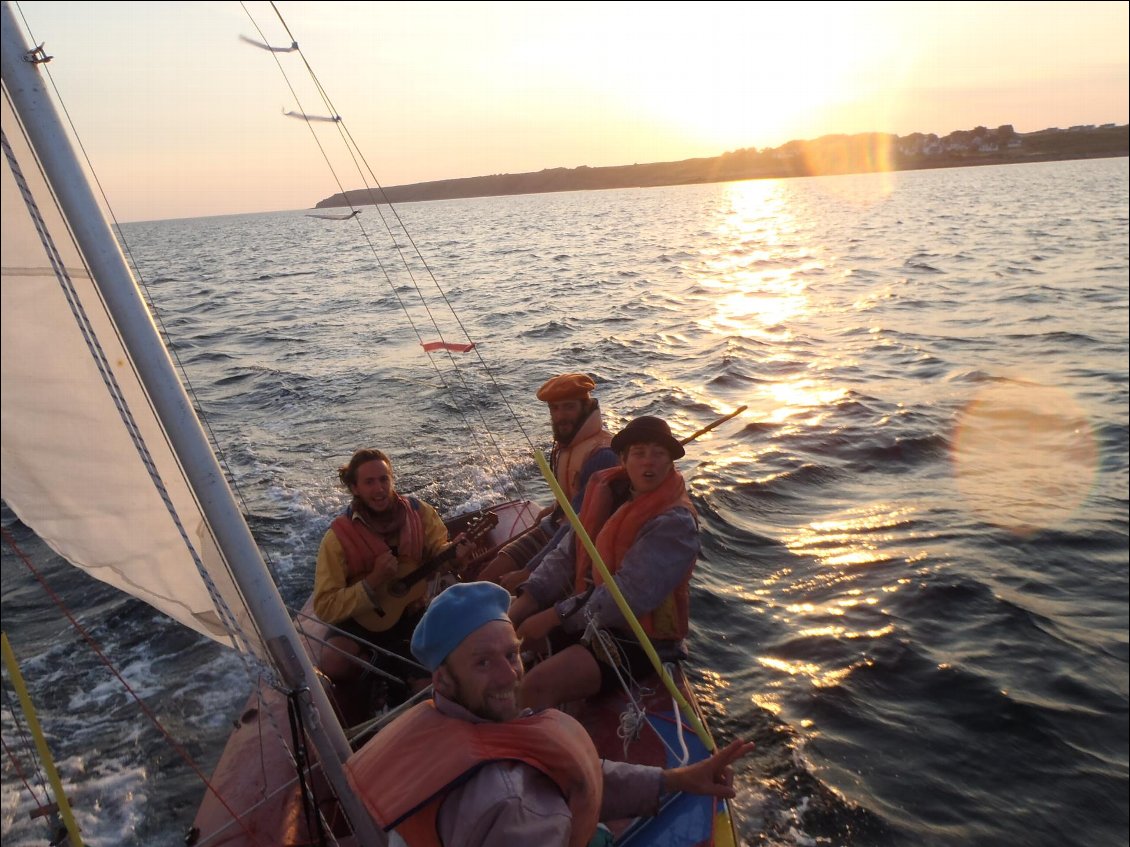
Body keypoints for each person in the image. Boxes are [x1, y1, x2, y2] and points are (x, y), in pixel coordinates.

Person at [344, 581, 754, 847]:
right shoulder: (513, 803)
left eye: (511, 654)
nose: (509, 675)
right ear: (444, 679)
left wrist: (672, 780)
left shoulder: (443, 724)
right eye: (482, 663)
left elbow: (575, 776)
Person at [509, 416, 698, 712]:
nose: (649, 462)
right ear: (623, 459)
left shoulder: (675, 523)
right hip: (590, 613)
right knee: (510, 649)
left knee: (536, 685)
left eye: (659, 453)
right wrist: (528, 598)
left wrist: (554, 617)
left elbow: (626, 597)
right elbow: (567, 552)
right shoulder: (610, 492)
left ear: (671, 463)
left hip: (639, 639)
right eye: (639, 453)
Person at [312, 448, 466, 707]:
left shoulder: (420, 513)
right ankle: (376, 673)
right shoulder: (337, 537)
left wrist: (453, 553)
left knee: (427, 689)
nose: (379, 488)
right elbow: (325, 605)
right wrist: (371, 582)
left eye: (384, 479)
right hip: (362, 618)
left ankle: (394, 675)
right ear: (355, 488)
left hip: (411, 613)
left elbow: (439, 549)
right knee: (334, 663)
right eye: (369, 482)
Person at [477, 372, 618, 591]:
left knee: (509, 590)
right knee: (484, 580)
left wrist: (528, 571)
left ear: (586, 407)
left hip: (576, 545)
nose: (560, 416)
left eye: (569, 407)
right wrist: (555, 507)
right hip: (555, 528)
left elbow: (578, 528)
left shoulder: (602, 455)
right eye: (555, 408)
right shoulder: (567, 445)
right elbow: (574, 493)